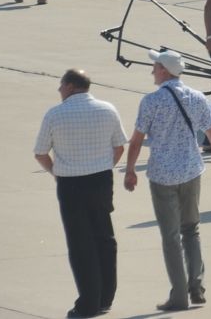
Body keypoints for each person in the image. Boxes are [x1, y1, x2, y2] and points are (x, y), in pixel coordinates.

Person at [123, 50, 211, 313]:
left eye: (155, 66)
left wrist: (130, 169)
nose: (152, 70)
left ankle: (178, 295)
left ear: (164, 70)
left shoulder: (151, 101)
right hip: (190, 172)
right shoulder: (196, 97)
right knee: (191, 230)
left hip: (162, 176)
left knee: (171, 237)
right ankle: (197, 288)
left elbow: (137, 140)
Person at [34, 69, 127, 319]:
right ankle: (106, 298)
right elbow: (119, 146)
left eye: (61, 85)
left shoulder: (55, 114)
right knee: (105, 238)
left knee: (80, 244)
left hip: (70, 184)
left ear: (71, 86)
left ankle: (87, 304)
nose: (59, 90)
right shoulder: (107, 109)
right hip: (101, 179)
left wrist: (56, 173)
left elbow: (40, 152)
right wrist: (105, 165)